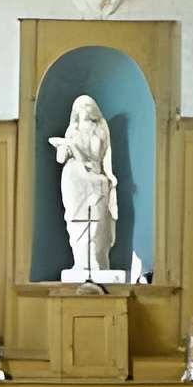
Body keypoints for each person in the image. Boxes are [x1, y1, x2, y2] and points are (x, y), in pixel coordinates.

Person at [50, 95, 118, 278]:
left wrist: (72, 145)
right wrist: (62, 148)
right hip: (73, 179)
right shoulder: (73, 129)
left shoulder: (99, 129)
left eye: (87, 106)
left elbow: (95, 155)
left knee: (95, 219)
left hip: (93, 178)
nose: (84, 110)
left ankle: (94, 259)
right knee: (74, 219)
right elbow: (60, 159)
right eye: (80, 107)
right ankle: (80, 261)